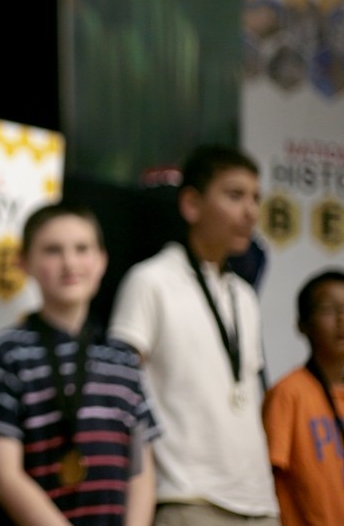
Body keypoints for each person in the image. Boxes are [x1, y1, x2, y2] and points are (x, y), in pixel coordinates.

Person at [108, 144, 280, 524]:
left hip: (259, 502)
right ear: (191, 205)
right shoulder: (150, 280)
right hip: (187, 498)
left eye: (256, 198)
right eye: (235, 196)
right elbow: (118, 396)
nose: (250, 211)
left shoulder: (244, 295)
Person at [0, 202, 159, 525]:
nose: (70, 263)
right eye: (52, 251)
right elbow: (3, 475)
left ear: (102, 260)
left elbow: (140, 471)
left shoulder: (123, 359)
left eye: (82, 249)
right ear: (24, 262)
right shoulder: (6, 352)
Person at [262, 268, 344, 525]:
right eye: (329, 309)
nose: (343, 319)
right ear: (303, 324)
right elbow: (268, 481)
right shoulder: (288, 393)